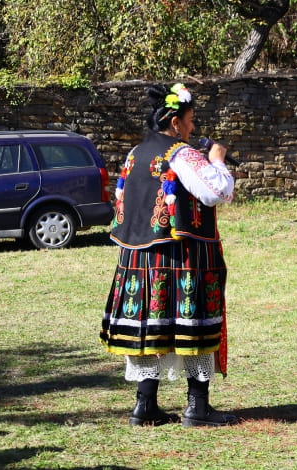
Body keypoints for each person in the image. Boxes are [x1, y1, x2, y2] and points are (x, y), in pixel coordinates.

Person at [100, 83, 237, 427]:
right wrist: (218, 160)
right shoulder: (181, 153)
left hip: (139, 257)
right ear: (175, 122)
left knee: (153, 328)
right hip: (181, 258)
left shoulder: (136, 153)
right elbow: (215, 191)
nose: (193, 128)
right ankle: (198, 407)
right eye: (190, 121)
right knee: (192, 323)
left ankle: (145, 406)